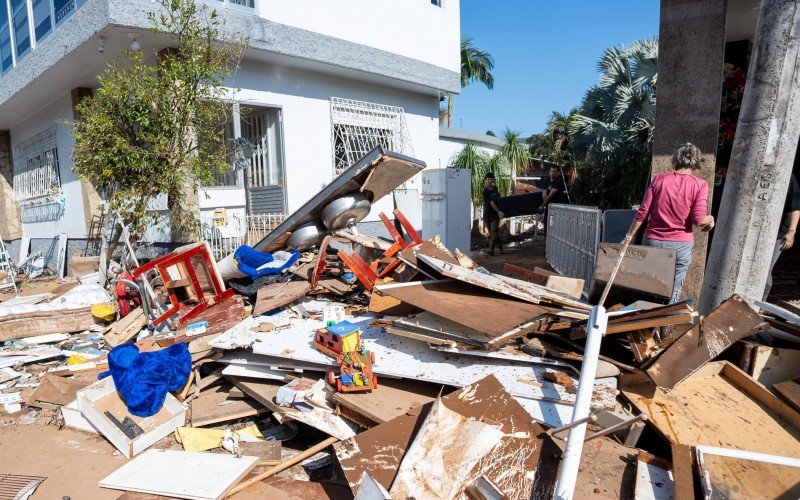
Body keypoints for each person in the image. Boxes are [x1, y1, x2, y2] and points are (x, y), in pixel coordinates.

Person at [625, 143, 715, 304]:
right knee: (672, 292)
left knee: (649, 286)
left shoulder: (659, 179)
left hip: (652, 242)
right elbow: (699, 220)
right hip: (680, 246)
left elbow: (643, 212)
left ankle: (644, 324)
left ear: (676, 159)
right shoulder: (700, 185)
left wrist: (629, 236)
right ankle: (664, 325)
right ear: (696, 162)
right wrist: (711, 219)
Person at [764, 173, 800, 299]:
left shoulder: (787, 176)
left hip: (777, 234)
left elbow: (794, 208)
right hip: (755, 229)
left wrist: (791, 231)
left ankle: (760, 302)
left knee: (765, 270)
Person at [482, 171, 504, 255]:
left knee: (494, 231)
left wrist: (499, 211)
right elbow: (492, 203)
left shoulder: (495, 188)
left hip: (495, 214)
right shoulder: (485, 191)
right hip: (487, 214)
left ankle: (491, 249)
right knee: (493, 234)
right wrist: (499, 212)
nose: (490, 181)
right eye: (488, 179)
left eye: (491, 179)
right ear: (485, 180)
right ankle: (500, 248)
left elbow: (498, 199)